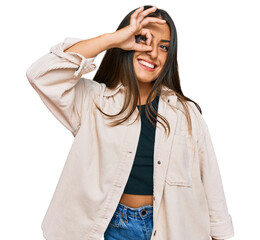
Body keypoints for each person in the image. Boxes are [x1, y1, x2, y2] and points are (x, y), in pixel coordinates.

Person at [26, 5, 234, 240]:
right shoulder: (94, 101)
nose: (153, 53)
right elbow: (41, 75)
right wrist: (111, 40)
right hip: (108, 228)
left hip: (172, 228)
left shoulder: (186, 114)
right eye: (143, 39)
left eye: (163, 47)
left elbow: (211, 184)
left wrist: (221, 235)